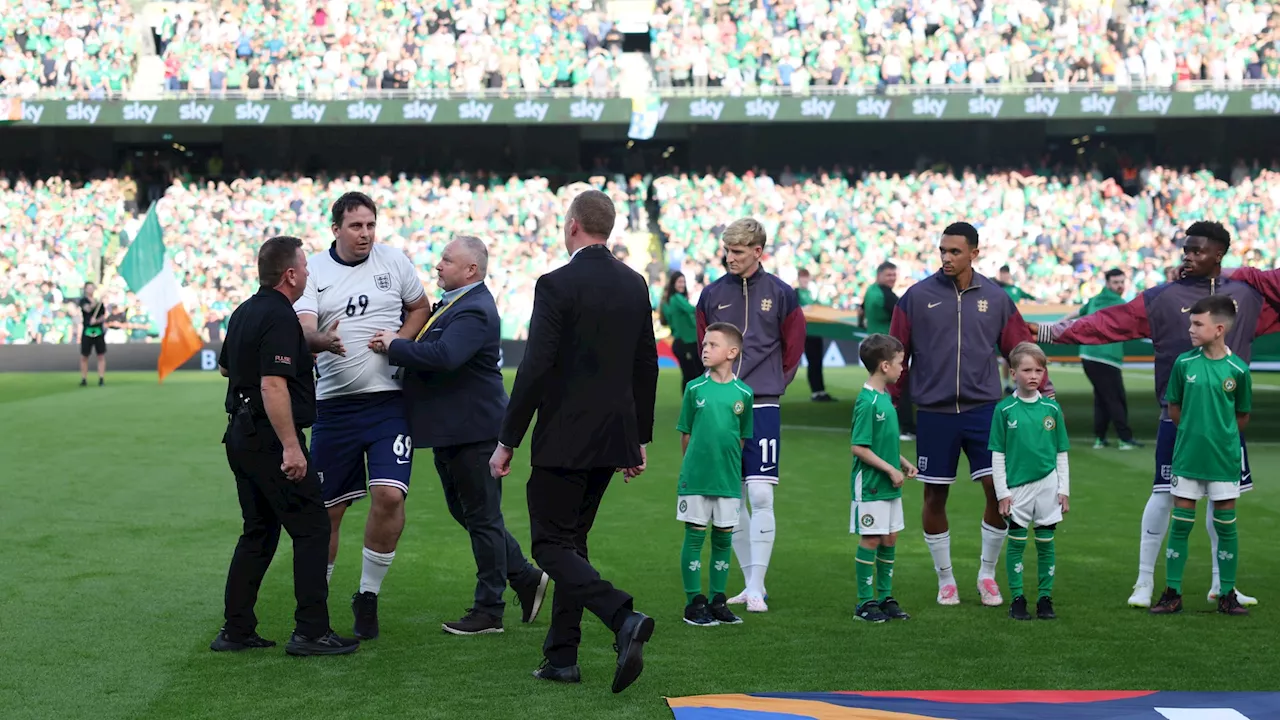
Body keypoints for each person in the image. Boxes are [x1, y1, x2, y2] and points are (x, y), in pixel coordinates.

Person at [1031, 221, 1268, 608]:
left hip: (1225, 425)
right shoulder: (1162, 297)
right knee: (1164, 497)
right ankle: (1144, 582)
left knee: (1224, 503)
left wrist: (1248, 273)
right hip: (1178, 420)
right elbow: (1110, 322)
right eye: (1186, 250)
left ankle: (1221, 585)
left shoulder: (1247, 294)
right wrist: (1051, 332)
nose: (1188, 256)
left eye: (1198, 251)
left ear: (1219, 254)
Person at [488, 190, 659, 694]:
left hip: (565, 435)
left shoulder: (556, 284)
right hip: (613, 437)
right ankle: (561, 656)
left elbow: (535, 367)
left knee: (548, 544)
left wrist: (507, 440)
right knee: (573, 542)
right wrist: (639, 439)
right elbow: (645, 364)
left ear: (572, 226)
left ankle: (620, 614)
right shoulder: (635, 284)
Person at [371, 236, 550, 636]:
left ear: (471, 269)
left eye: (447, 261)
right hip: (455, 430)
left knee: (483, 519)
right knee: (468, 513)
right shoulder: (457, 304)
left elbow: (444, 357)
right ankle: (522, 576)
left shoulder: (474, 309)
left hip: (475, 431)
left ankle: (490, 610)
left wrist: (395, 345)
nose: (438, 266)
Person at [888, 221, 1049, 608]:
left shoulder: (996, 298)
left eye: (955, 251)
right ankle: (946, 580)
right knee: (934, 494)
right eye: (942, 250)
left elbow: (1020, 350)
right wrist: (888, 406)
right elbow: (896, 356)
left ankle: (986, 575)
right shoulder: (915, 297)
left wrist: (1045, 393)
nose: (946, 257)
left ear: (975, 253)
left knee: (998, 493)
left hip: (984, 411)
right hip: (934, 413)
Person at [293, 191, 430, 640]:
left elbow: (420, 307)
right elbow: (305, 328)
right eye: (356, 226)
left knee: (390, 496)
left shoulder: (395, 261)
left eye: (371, 225)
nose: (366, 234)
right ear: (336, 229)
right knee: (329, 512)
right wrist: (320, 342)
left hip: (388, 402)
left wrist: (399, 340)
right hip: (333, 407)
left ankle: (367, 595)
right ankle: (318, 606)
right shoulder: (316, 270)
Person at [213, 235, 359, 657]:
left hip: (239, 434)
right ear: (290, 274)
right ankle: (311, 631)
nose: (309, 273)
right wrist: (291, 448)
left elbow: (227, 366)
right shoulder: (280, 316)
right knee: (313, 527)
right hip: (270, 439)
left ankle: (236, 629)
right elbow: (273, 383)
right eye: (304, 267)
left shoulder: (245, 311)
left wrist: (307, 350)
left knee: (258, 531)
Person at [695, 218, 806, 613]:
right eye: (727, 251)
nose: (731, 258)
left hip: (761, 403)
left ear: (758, 252)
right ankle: (748, 581)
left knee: (759, 492)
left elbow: (793, 347)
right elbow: (703, 345)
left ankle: (757, 586)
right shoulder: (710, 294)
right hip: (721, 406)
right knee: (728, 497)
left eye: (739, 252)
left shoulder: (782, 294)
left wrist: (774, 382)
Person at [1150, 295, 1251, 617]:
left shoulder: (1238, 370)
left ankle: (1226, 594)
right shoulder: (1184, 364)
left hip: (1223, 459)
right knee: (1180, 524)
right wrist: (1194, 434)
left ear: (1219, 329)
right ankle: (1172, 593)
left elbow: (1242, 415)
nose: (1190, 329)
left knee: (1226, 525)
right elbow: (1175, 408)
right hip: (1188, 457)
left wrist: (1220, 438)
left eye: (1197, 324)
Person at [676, 322, 753, 628]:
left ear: (732, 352)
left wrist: (726, 466)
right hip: (696, 478)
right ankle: (694, 602)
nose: (705, 349)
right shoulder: (694, 389)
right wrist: (694, 466)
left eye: (712, 345)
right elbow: (686, 434)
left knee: (723, 538)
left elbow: (741, 438)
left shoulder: (743, 393)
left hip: (728, 479)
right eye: (704, 344)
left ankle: (718, 600)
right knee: (694, 537)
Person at [989, 342, 1070, 622]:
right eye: (1026, 370)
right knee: (1016, 544)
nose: (1034, 375)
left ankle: (1045, 598)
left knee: (1046, 543)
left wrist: (1064, 489)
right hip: (1017, 489)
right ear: (1013, 373)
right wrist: (1002, 493)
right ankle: (1018, 599)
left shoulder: (1052, 409)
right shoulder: (1004, 410)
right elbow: (998, 455)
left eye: (1039, 370)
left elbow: (1061, 452)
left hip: (1048, 485)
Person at [849, 333, 916, 624]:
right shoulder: (867, 402)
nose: (904, 368)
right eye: (901, 362)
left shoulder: (885, 399)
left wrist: (901, 462)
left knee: (890, 537)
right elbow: (859, 447)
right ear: (885, 366)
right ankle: (865, 602)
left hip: (889, 483)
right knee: (873, 538)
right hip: (872, 485)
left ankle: (885, 597)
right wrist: (889, 469)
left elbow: (883, 443)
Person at [1063, 269, 1140, 450]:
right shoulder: (1120, 304)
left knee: (1102, 397)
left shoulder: (1095, 300)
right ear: (1107, 284)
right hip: (1106, 358)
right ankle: (1124, 439)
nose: (1120, 286)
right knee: (1115, 398)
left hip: (1088, 355)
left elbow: (1075, 313)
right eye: (1116, 282)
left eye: (1122, 282)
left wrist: (1055, 326)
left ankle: (1100, 437)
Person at [860, 263, 914, 440]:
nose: (892, 278)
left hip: (873, 344)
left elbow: (860, 310)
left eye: (894, 275)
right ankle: (905, 427)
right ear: (879, 275)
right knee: (899, 385)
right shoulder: (886, 294)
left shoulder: (870, 291)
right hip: (887, 347)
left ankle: (880, 424)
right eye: (888, 275)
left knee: (880, 386)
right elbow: (904, 314)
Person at [996, 265, 1038, 394]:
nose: (1004, 276)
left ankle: (1015, 384)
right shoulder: (997, 289)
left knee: (1016, 357)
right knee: (1006, 358)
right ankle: (1005, 384)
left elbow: (1031, 298)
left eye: (1006, 273)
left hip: (1016, 328)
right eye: (1002, 273)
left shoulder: (1015, 290)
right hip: (1002, 327)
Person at [661, 271, 703, 396]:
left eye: (683, 282)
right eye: (679, 282)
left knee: (691, 374)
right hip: (686, 342)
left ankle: (690, 403)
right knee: (693, 374)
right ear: (673, 284)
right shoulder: (677, 298)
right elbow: (692, 309)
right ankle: (691, 403)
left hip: (684, 341)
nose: (682, 285)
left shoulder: (671, 300)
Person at [797, 268, 836, 402]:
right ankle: (816, 391)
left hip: (815, 332)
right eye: (802, 278)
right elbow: (793, 309)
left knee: (817, 361)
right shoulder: (795, 293)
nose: (804, 280)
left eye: (806, 278)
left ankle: (820, 390)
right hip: (805, 332)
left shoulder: (811, 294)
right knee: (813, 361)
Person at [72, 282, 108, 386]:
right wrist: (95, 303)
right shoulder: (83, 301)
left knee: (100, 355)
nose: (91, 290)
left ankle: (101, 378)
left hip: (98, 331)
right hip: (87, 330)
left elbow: (103, 316)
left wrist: (96, 321)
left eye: (92, 288)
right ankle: (84, 378)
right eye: (89, 288)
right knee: (84, 356)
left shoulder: (99, 303)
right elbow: (87, 308)